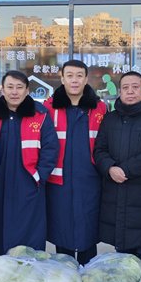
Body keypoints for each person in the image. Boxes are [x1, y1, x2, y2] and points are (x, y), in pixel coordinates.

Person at [94, 71, 141, 268]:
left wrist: (124, 169)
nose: (130, 92)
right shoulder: (109, 119)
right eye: (125, 88)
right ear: (119, 92)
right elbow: (99, 150)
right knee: (123, 260)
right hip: (116, 195)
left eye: (135, 87)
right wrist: (110, 167)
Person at [44, 60, 108, 265]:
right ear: (62, 79)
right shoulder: (48, 108)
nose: (74, 79)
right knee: (62, 234)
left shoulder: (100, 108)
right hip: (58, 183)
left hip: (90, 181)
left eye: (79, 75)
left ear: (86, 79)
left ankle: (88, 279)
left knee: (88, 234)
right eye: (69, 75)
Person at [0, 70, 59, 256]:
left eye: (19, 87)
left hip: (28, 185)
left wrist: (39, 176)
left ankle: (29, 279)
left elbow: (51, 149)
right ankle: (2, 281)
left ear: (27, 90)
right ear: (2, 90)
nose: (14, 92)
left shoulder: (40, 116)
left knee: (29, 241)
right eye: (10, 87)